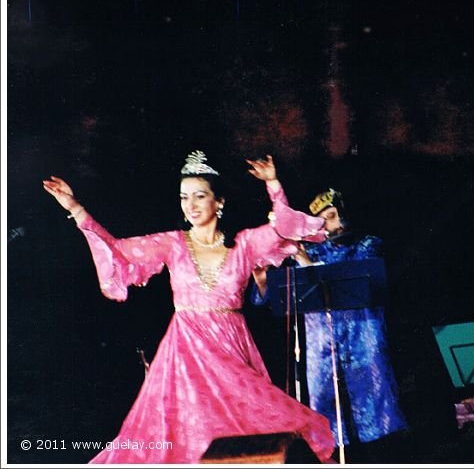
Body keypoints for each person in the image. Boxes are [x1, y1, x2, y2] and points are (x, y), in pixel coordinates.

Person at [42, 151, 335, 464]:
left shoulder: (245, 243)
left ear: (219, 201)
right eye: (184, 197)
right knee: (188, 437)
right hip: (184, 355)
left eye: (199, 196)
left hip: (231, 349)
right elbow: (117, 251)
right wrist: (76, 208)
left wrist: (274, 184)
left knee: (252, 435)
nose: (191, 205)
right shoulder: (172, 243)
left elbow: (286, 229)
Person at [251, 188, 408, 454]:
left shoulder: (367, 244)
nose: (329, 224)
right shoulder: (310, 249)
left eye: (332, 216)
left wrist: (303, 258)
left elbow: (359, 277)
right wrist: (263, 281)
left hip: (363, 345)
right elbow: (265, 299)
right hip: (322, 351)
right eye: (321, 221)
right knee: (329, 426)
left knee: (377, 423)